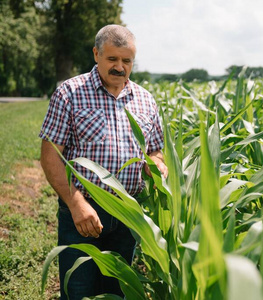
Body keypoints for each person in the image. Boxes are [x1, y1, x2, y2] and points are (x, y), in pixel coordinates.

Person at [39, 24, 167, 300]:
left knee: (118, 292)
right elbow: (50, 155)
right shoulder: (70, 93)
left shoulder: (146, 100)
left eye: (127, 60)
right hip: (84, 210)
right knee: (79, 291)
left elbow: (156, 151)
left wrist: (156, 164)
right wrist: (76, 204)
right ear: (96, 54)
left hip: (127, 212)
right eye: (112, 59)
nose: (120, 67)